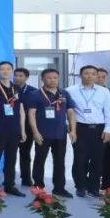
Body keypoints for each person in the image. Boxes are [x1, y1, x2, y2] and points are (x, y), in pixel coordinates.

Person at [27, 68, 77, 197]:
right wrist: (35, 132)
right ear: (42, 79)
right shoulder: (35, 94)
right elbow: (31, 114)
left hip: (60, 134)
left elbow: (71, 112)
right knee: (40, 160)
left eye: (55, 78)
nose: (52, 80)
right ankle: (38, 187)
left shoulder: (64, 93)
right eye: (49, 78)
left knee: (60, 161)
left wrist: (73, 130)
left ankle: (59, 188)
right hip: (42, 134)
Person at [68, 65, 110, 198]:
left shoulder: (104, 91)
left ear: (96, 76)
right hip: (80, 129)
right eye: (86, 73)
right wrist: (70, 127)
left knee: (97, 160)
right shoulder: (70, 91)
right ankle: (81, 187)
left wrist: (108, 129)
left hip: (99, 129)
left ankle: (94, 188)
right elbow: (67, 111)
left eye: (93, 74)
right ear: (80, 75)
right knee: (80, 159)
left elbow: (109, 111)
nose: (90, 76)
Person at [0, 61, 27, 197]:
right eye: (2, 69)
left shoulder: (16, 88)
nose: (5, 71)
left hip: (14, 129)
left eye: (8, 69)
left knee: (11, 158)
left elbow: (21, 110)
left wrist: (23, 130)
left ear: (12, 71)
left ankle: (10, 185)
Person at [13, 67, 38, 187]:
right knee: (10, 153)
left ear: (27, 77)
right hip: (11, 125)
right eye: (16, 75)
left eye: (20, 76)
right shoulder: (8, 89)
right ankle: (9, 177)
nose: (17, 78)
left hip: (27, 126)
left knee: (25, 153)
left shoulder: (34, 91)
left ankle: (26, 178)